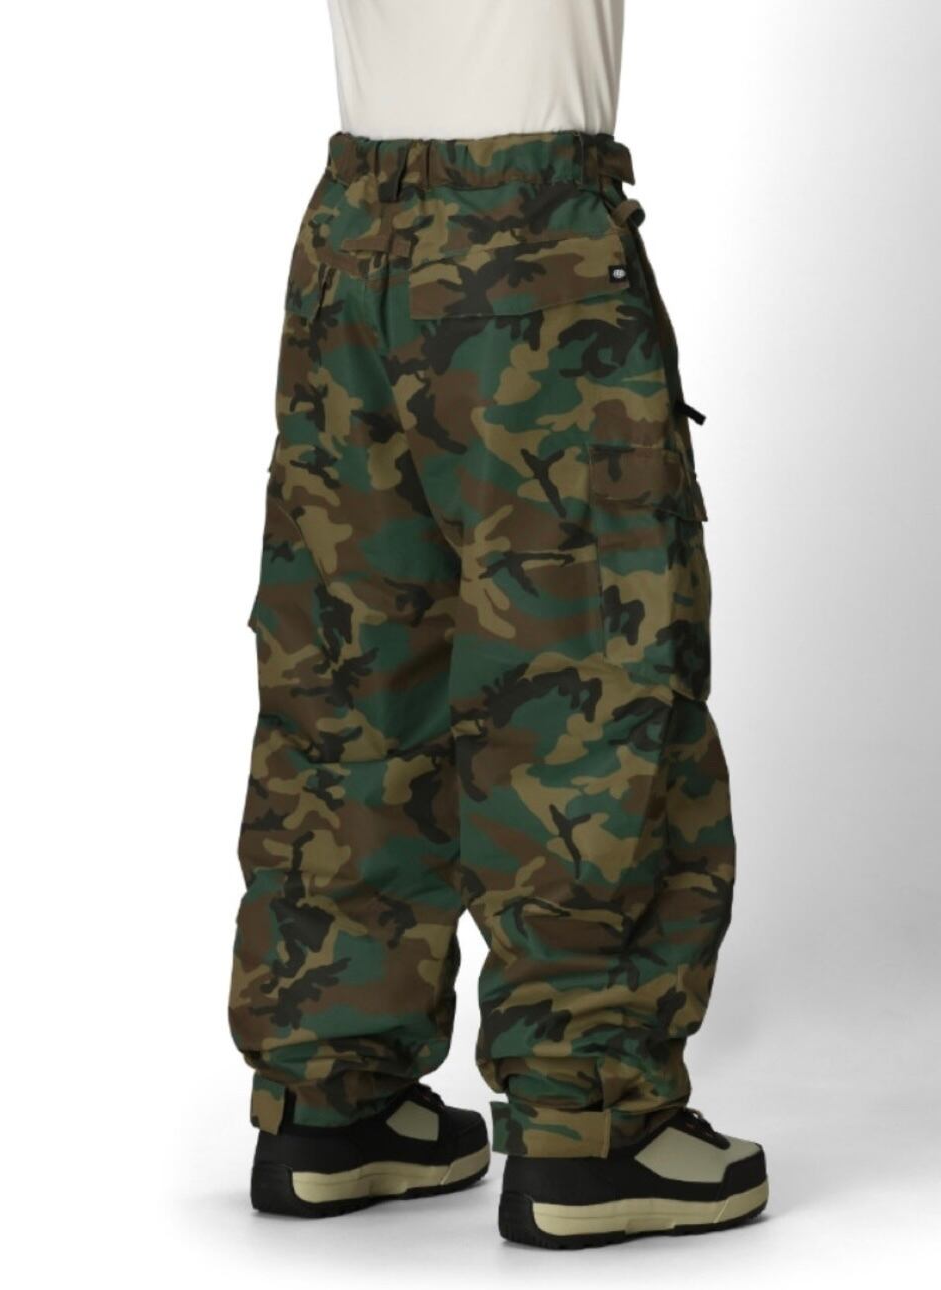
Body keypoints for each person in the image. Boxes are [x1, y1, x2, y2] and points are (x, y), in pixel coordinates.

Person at [228, 0, 767, 1248]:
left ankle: (332, 1104)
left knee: (353, 676)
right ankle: (596, 1130)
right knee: (585, 681)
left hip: (356, 241)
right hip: (530, 246)